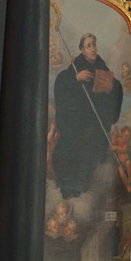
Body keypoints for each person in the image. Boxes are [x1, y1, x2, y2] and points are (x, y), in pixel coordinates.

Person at [51, 33, 124, 200]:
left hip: (94, 123)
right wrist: (75, 78)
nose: (93, 49)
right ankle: (68, 187)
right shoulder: (76, 67)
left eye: (94, 44)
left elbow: (116, 88)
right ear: (82, 50)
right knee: (69, 150)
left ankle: (81, 187)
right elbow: (61, 85)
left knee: (91, 148)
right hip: (75, 123)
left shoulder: (101, 66)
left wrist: (111, 87)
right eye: (88, 46)